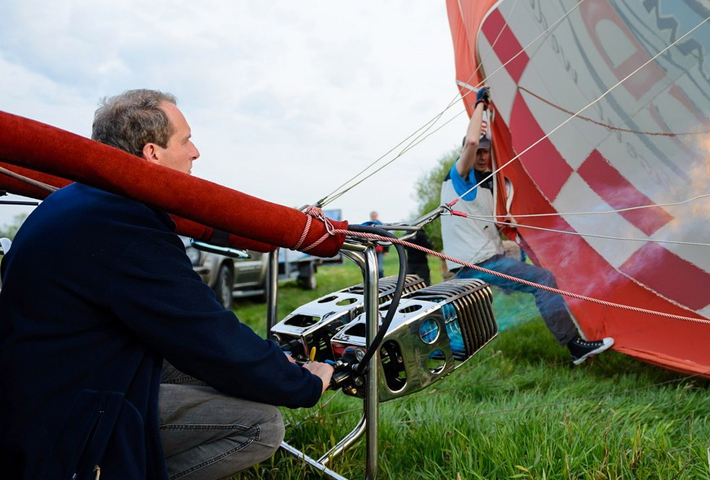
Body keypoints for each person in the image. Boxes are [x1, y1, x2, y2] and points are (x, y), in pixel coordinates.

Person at [0, 89, 334, 480]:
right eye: (185, 140)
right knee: (260, 425)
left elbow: (196, 335)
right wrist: (304, 384)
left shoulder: (80, 200)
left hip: (44, 385)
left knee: (212, 372)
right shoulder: (123, 226)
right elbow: (206, 333)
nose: (196, 152)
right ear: (152, 153)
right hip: (62, 417)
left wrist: (277, 365)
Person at [440, 86, 613, 365]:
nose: (483, 157)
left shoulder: (483, 189)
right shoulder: (458, 178)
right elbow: (472, 141)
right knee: (543, 281)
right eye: (479, 153)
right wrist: (480, 105)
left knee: (459, 314)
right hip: (480, 262)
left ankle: (438, 353)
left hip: (472, 263)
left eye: (488, 152)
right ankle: (574, 347)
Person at [365, 210, 387, 278]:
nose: (373, 218)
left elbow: (386, 238)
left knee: (379, 268)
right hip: (371, 249)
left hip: (379, 249)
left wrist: (386, 250)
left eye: (374, 216)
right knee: (372, 267)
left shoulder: (380, 225)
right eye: (372, 217)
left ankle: (381, 279)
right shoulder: (368, 226)